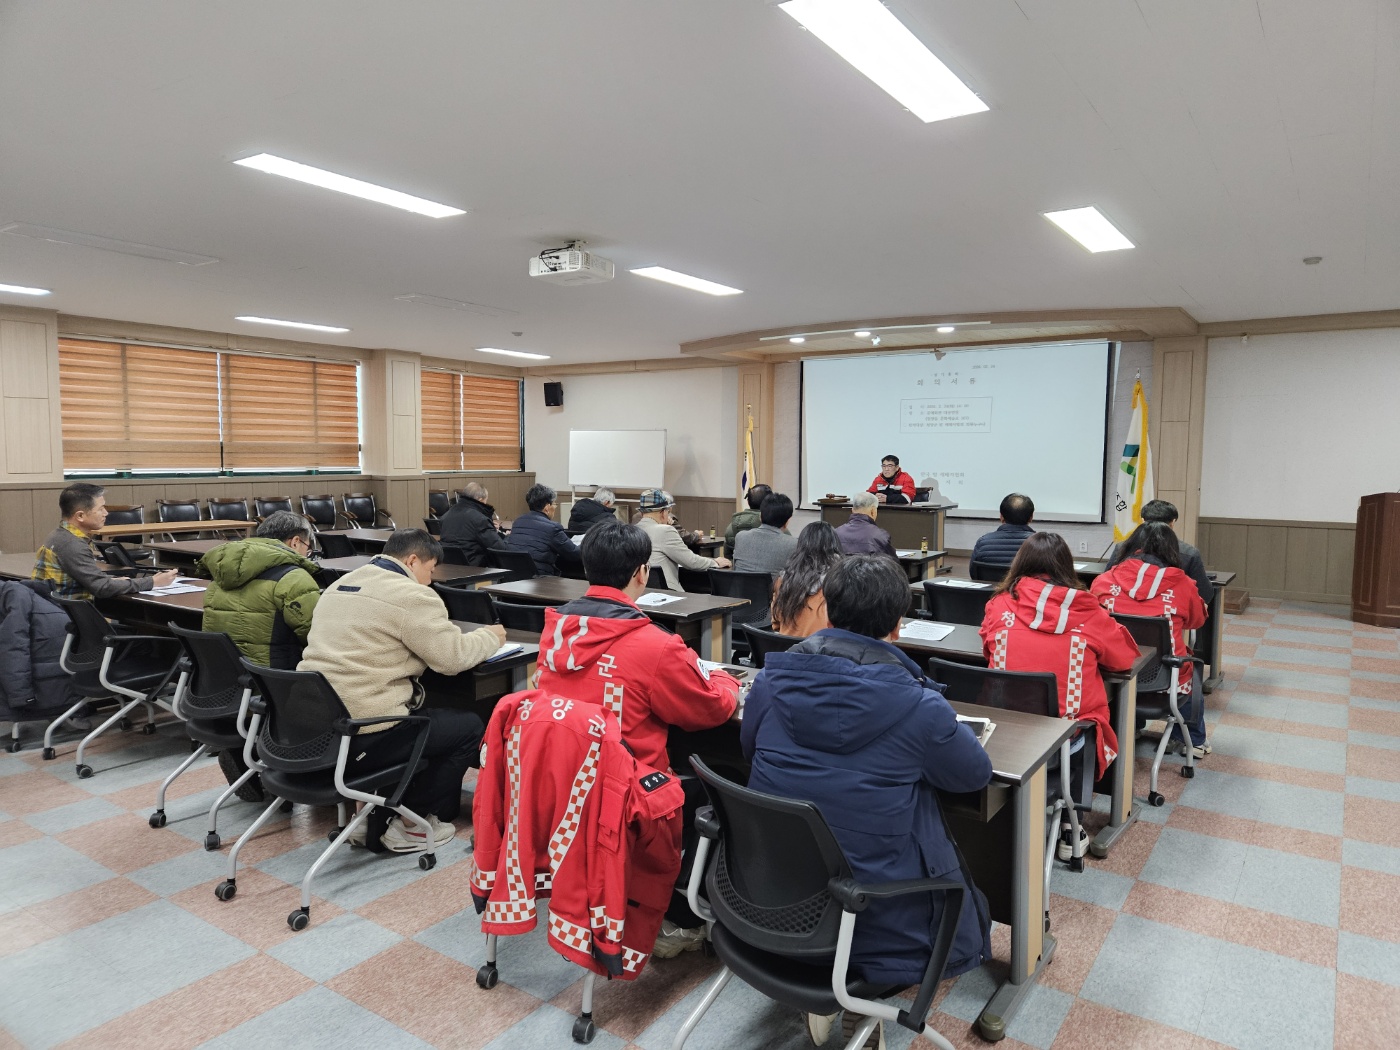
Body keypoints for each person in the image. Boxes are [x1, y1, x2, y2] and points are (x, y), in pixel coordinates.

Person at [742, 555, 993, 1050]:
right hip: (876, 914)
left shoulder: (770, 681)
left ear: (829, 611)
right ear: (899, 626)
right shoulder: (920, 706)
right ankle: (861, 999)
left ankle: (832, 997)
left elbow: (749, 752)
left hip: (774, 892)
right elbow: (973, 776)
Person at [536, 520, 741, 957]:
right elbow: (710, 709)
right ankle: (680, 919)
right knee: (722, 788)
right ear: (641, 573)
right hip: (630, 787)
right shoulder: (654, 645)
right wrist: (725, 679)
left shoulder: (556, 628)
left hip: (566, 776)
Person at [299, 529, 507, 851]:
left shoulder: (339, 585)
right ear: (412, 560)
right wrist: (491, 636)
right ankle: (411, 823)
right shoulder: (412, 596)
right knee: (468, 728)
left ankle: (366, 817)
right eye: (430, 569)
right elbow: (452, 657)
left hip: (315, 728)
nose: (430, 578)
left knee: (423, 714)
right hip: (367, 731)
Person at [979, 532, 1141, 859]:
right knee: (1084, 721)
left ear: (1020, 564)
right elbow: (1123, 660)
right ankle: (1071, 823)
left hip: (1005, 733)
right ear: (1066, 567)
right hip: (1062, 742)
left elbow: (987, 649)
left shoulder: (999, 604)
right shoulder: (1087, 610)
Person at [199, 510, 323, 802]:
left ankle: (248, 757)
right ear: (295, 542)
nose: (309, 553)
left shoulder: (220, 573)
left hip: (230, 681)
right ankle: (300, 765)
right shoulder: (293, 577)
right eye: (309, 546)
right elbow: (316, 635)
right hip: (274, 682)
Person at [1091, 522, 1209, 757]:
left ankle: (1129, 726)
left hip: (1114, 672)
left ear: (1131, 547)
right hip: (1166, 677)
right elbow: (1197, 621)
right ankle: (1193, 740)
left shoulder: (1103, 581)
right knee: (1191, 663)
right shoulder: (1183, 584)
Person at [32, 483, 178, 599]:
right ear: (80, 515)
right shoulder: (71, 544)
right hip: (69, 620)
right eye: (101, 509)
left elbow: (87, 577)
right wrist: (153, 582)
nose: (106, 513)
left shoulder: (59, 535)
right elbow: (101, 588)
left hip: (58, 612)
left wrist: (114, 581)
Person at [636, 488, 730, 589]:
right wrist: (715, 562)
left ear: (642, 513)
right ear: (663, 512)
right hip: (667, 593)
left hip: (642, 592)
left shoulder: (633, 530)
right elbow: (691, 561)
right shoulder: (665, 531)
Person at [1130, 500, 1214, 605]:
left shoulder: (1124, 548)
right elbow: (1204, 594)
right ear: (1173, 523)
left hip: (1123, 616)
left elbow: (1108, 582)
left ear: (1142, 521)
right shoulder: (1189, 553)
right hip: (1170, 615)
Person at [769, 521, 843, 637]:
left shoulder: (784, 579)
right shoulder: (840, 582)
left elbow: (776, 624)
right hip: (822, 651)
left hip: (788, 651)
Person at [507, 484, 582, 576]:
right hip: (540, 580)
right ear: (547, 507)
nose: (555, 507)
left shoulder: (518, 522)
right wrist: (587, 543)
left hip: (514, 577)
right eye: (554, 504)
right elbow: (573, 553)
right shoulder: (552, 528)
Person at [439, 482, 509, 566]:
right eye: (486, 500)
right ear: (480, 500)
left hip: (449, 566)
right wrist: (508, 537)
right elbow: (500, 548)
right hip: (474, 568)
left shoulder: (446, 516)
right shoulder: (480, 520)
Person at [732, 492, 797, 575]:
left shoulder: (741, 537)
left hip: (739, 587)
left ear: (760, 517)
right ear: (787, 522)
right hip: (772, 588)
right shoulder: (793, 544)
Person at [970, 493, 1035, 567]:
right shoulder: (1043, 545)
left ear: (1001, 517)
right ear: (1031, 517)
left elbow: (974, 572)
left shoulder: (983, 543)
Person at [834, 491, 897, 558]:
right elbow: (893, 564)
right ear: (873, 511)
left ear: (852, 510)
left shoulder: (835, 533)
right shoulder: (880, 536)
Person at [724, 484, 771, 558]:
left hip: (738, 568)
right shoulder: (775, 526)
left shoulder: (730, 528)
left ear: (748, 502)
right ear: (770, 503)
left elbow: (727, 557)